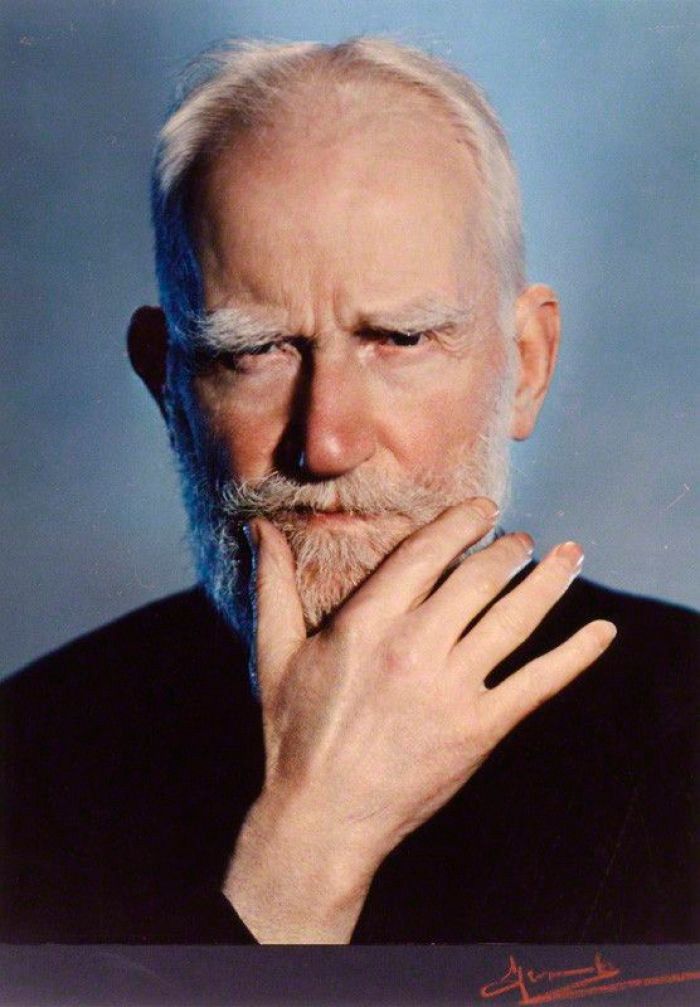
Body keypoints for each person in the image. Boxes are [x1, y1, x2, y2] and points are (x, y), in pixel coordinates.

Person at [1, 37, 697, 945]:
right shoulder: (25, 767)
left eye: (400, 340)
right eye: (255, 350)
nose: (325, 442)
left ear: (526, 367)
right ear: (167, 385)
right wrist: (308, 847)